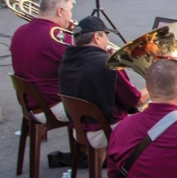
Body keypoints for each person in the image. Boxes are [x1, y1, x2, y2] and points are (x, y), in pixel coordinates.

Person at [58, 16, 147, 161]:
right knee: (156, 121)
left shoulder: (68, 58)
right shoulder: (107, 64)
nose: (107, 40)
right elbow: (135, 101)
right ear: (97, 37)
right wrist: (149, 87)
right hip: (104, 130)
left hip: (79, 129)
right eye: (106, 36)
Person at [11, 0, 74, 121]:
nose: (71, 16)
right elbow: (84, 66)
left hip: (30, 101)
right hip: (52, 104)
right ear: (60, 11)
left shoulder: (20, 31)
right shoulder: (56, 38)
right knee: (108, 97)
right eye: (70, 11)